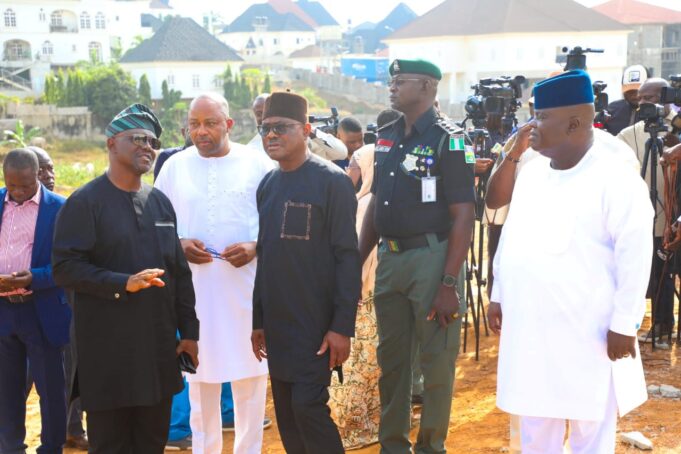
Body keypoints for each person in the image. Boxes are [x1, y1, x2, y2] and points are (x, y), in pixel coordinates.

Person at [488, 70, 652, 454]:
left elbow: (635, 254)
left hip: (589, 333)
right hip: (531, 329)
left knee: (589, 430)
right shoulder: (532, 174)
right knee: (535, 425)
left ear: (575, 123)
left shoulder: (615, 177)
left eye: (542, 117)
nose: (532, 126)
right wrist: (498, 294)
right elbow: (511, 239)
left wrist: (625, 324)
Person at [52, 104, 200, 453]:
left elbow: (179, 274)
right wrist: (123, 283)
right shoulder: (84, 202)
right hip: (108, 356)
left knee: (152, 443)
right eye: (137, 139)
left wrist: (190, 333)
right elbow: (65, 268)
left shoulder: (159, 203)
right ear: (111, 143)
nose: (147, 147)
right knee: (111, 446)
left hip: (157, 352)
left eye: (152, 141)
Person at [358, 59, 475, 453]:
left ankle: (430, 446)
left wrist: (448, 282)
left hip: (432, 259)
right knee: (392, 362)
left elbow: (464, 216)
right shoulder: (387, 134)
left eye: (400, 81)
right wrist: (357, 260)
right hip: (390, 259)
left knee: (436, 363)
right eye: (391, 81)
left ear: (426, 87)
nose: (392, 87)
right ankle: (393, 445)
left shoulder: (450, 140)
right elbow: (377, 202)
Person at [156, 93, 272, 454]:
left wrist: (255, 246)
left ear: (229, 124)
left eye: (210, 123)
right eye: (194, 124)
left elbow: (277, 220)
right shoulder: (174, 166)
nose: (200, 131)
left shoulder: (258, 163)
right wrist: (178, 243)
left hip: (245, 290)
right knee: (200, 381)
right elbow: (156, 223)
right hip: (195, 293)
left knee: (250, 379)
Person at [252, 91, 361, 453]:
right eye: (265, 128)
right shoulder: (267, 185)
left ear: (306, 130)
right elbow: (265, 256)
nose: (271, 135)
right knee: (287, 414)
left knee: (308, 407)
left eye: (281, 128)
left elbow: (347, 258)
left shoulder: (333, 182)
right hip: (278, 324)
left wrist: (341, 327)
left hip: (316, 324)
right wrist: (258, 320)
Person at [328, 109, 401, 450]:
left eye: (356, 164)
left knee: (358, 367)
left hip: (360, 299)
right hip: (379, 298)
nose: (350, 171)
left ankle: (356, 426)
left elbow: (356, 258)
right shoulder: (382, 200)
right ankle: (378, 420)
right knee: (377, 365)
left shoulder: (364, 205)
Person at [0, 149, 69, 454]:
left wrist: (33, 278)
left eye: (25, 186)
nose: (18, 192)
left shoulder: (60, 209)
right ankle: (10, 448)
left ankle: (51, 448)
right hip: (3, 312)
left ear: (38, 175)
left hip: (41, 311)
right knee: (6, 389)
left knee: (50, 389)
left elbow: (69, 265)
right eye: (11, 185)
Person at [617, 77, 677, 342]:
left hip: (675, 214)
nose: (642, 103)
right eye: (639, 98)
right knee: (659, 275)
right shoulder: (629, 134)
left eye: (649, 98)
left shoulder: (677, 127)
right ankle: (661, 327)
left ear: (666, 97)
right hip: (652, 219)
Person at [605, 64, 647, 136]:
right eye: (630, 92)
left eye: (638, 91)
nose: (634, 96)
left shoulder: (656, 111)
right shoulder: (611, 109)